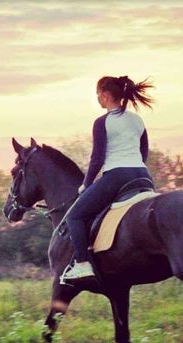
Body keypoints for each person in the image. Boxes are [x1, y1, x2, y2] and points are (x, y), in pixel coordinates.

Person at [61, 75, 155, 283]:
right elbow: (144, 151)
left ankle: (82, 265)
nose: (97, 99)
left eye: (98, 95)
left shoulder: (103, 122)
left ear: (104, 96)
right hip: (142, 176)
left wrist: (85, 184)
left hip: (117, 176)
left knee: (74, 216)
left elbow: (97, 158)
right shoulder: (137, 120)